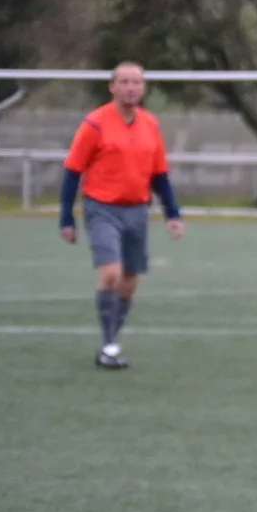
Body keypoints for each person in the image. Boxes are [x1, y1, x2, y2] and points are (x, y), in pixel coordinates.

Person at [59, 61, 184, 368]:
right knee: (111, 273)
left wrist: (172, 213)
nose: (130, 88)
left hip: (137, 211)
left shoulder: (150, 124)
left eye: (136, 82)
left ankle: (110, 342)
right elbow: (73, 171)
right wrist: (66, 218)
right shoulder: (95, 124)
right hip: (102, 208)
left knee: (129, 282)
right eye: (124, 82)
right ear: (112, 87)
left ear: (143, 88)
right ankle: (109, 346)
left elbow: (159, 174)